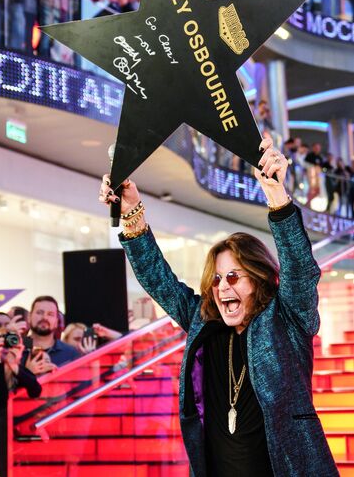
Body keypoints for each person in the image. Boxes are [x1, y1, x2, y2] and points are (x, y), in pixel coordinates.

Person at [99, 136, 338, 477]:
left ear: (258, 278)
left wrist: (277, 198)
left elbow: (300, 269)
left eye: (233, 277)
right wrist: (131, 213)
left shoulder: (287, 320)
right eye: (215, 279)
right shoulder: (204, 324)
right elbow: (158, 279)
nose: (222, 286)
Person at [0, 311, 41, 474]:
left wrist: (14, 365)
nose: (2, 331)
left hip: (14, 450)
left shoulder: (19, 362)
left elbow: (36, 390)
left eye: (7, 328)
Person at [22, 296, 80, 372]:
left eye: (50, 314)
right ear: (29, 317)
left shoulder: (70, 353)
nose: (44, 317)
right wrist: (27, 374)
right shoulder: (17, 351)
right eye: (39, 312)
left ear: (56, 322)